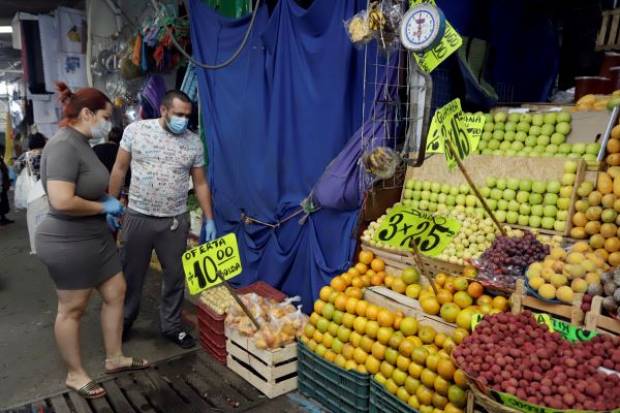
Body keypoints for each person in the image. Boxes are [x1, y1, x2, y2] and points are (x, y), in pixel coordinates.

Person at [36, 82, 148, 400]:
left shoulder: (82, 142)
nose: (107, 122)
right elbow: (61, 200)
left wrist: (106, 205)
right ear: (86, 113)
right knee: (72, 309)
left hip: (95, 235)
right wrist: (104, 206)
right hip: (68, 241)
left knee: (116, 291)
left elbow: (85, 185)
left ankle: (115, 357)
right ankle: (75, 374)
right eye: (105, 115)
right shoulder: (62, 146)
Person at [109, 90, 216, 349]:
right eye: (178, 114)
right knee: (131, 274)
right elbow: (120, 168)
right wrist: (111, 205)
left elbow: (200, 183)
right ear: (164, 110)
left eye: (187, 116)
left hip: (174, 221)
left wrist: (210, 219)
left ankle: (171, 326)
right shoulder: (136, 131)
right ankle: (124, 320)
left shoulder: (193, 143)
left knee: (176, 276)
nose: (183, 120)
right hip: (138, 216)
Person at [0, 145, 13, 225]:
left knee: (3, 202)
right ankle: (2, 219)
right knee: (1, 202)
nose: (3, 152)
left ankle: (3, 217)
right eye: (2, 150)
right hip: (1, 185)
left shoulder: (1, 160)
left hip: (3, 185)